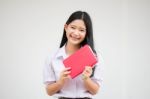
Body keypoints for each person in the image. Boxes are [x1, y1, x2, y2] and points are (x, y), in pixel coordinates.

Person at [43, 11, 103, 99]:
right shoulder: (52, 58)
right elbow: (49, 91)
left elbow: (95, 91)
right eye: (73, 27)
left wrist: (86, 78)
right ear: (66, 27)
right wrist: (60, 82)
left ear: (87, 33)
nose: (76, 33)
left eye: (81, 30)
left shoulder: (95, 57)